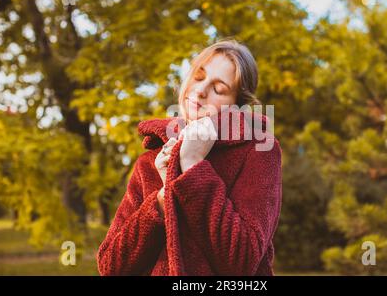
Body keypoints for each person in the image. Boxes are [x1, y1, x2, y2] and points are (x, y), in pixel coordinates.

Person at [97, 38, 282, 276]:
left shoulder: (258, 151)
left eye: (219, 89)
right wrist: (163, 200)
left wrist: (194, 166)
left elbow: (242, 263)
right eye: (198, 76)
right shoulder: (151, 159)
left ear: (237, 105)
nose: (200, 90)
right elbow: (111, 267)